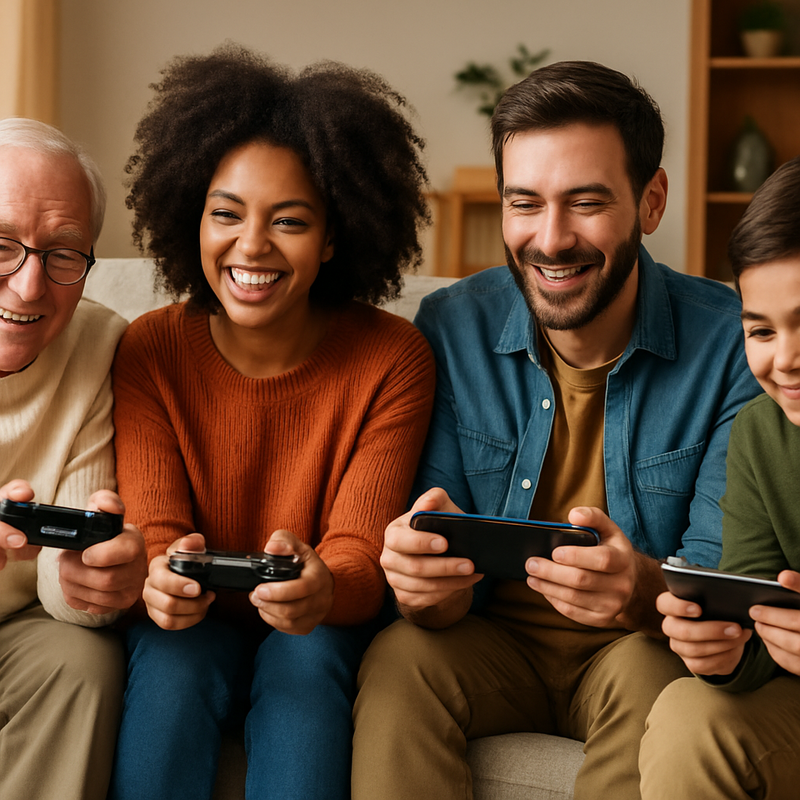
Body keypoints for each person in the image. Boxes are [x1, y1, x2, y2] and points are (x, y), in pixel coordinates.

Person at [351, 60, 762, 800]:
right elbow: (434, 566)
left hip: (635, 647)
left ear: (652, 200)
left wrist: (638, 588)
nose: (551, 238)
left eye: (586, 202)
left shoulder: (733, 342)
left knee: (656, 679)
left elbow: (713, 585)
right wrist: (421, 585)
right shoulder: (453, 325)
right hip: (487, 642)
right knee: (401, 655)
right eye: (525, 203)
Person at [107, 45, 435, 800]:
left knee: (305, 658)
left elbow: (358, 550)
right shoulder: (152, 347)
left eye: (288, 221)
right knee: (171, 662)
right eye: (225, 213)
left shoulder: (392, 358)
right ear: (190, 212)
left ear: (332, 238)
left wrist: (325, 586)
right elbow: (155, 528)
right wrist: (158, 574)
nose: (250, 245)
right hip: (189, 628)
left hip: (315, 625)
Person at [639, 156, 800, 799]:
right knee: (687, 713)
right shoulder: (763, 433)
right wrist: (727, 653)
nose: (784, 359)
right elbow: (756, 613)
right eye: (760, 330)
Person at [0, 118, 147, 800]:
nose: (31, 288)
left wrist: (83, 577)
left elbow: (72, 581)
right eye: (2, 246)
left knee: (81, 659)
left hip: (15, 628)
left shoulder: (99, 343)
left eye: (63, 254)